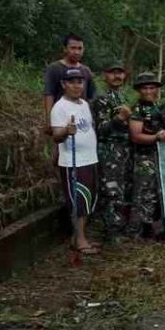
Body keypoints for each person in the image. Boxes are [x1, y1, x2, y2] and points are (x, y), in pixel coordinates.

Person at [50, 68, 99, 254]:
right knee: (77, 201)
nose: (77, 85)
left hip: (89, 160)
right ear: (64, 84)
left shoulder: (84, 104)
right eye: (72, 81)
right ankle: (79, 241)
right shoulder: (60, 107)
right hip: (73, 163)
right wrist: (65, 131)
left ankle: (79, 237)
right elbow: (56, 136)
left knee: (87, 199)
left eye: (80, 81)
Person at [91, 61, 133, 239]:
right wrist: (119, 118)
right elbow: (101, 129)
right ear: (105, 76)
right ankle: (111, 231)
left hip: (125, 150)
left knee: (123, 188)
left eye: (120, 73)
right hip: (109, 150)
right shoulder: (101, 99)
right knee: (111, 190)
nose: (117, 76)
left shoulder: (124, 98)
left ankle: (120, 227)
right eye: (112, 73)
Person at [129, 72, 165, 239]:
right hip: (144, 158)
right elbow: (136, 136)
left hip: (162, 157)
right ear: (139, 90)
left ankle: (154, 229)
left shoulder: (160, 107)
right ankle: (137, 232)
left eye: (152, 87)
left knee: (159, 192)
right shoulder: (138, 109)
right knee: (143, 193)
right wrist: (156, 137)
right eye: (145, 88)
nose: (148, 91)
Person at [44, 34, 97, 134]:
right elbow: (49, 94)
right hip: (61, 118)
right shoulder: (54, 68)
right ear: (65, 49)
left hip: (82, 121)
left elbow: (92, 96)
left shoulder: (85, 71)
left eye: (80, 48)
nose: (77, 52)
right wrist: (48, 119)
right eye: (73, 48)